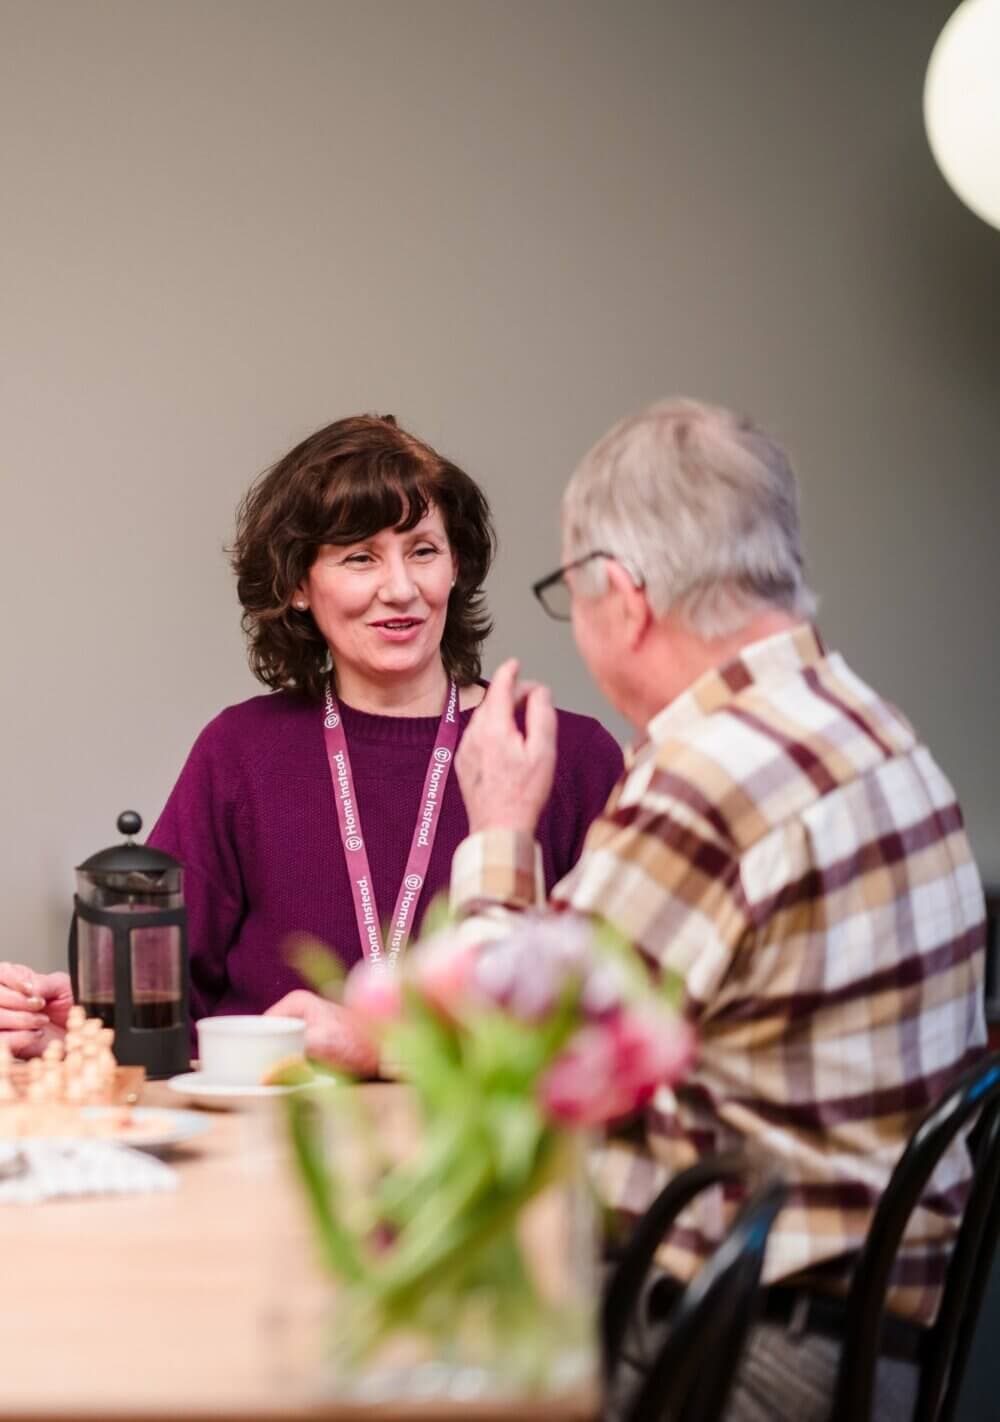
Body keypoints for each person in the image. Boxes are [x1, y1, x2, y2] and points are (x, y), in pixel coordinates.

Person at [309, 398, 982, 1420]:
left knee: (330, 1378)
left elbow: (500, 1060)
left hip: (741, 1355)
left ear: (621, 598)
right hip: (872, 1346)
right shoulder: (868, 728)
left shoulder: (713, 775)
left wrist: (497, 825)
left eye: (569, 594)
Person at [0, 414, 622, 1063]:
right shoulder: (241, 751)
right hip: (257, 1148)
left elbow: (618, 1031)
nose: (401, 588)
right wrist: (86, 1033)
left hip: (490, 1158)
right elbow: (170, 1013)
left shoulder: (561, 756)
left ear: (456, 565)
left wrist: (374, 1044)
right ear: (298, 585)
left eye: (423, 550)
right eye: (360, 557)